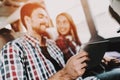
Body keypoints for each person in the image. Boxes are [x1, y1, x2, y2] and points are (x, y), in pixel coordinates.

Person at [0, 2, 120, 80]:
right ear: (28, 20)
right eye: (41, 16)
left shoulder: (52, 44)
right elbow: (66, 72)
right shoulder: (13, 49)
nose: (46, 21)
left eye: (47, 17)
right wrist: (65, 74)